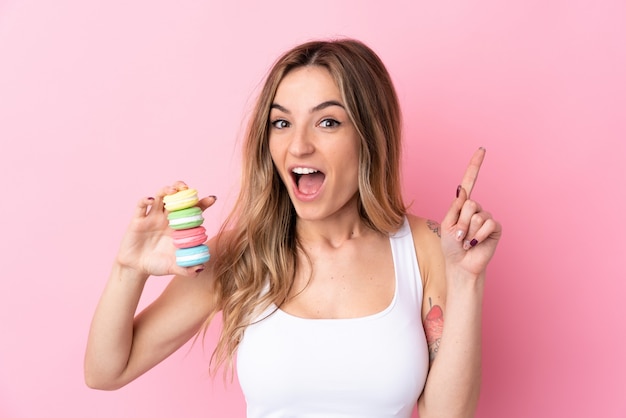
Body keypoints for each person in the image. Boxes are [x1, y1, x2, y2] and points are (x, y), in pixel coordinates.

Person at [84, 38, 502, 418]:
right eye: (281, 123)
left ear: (370, 136)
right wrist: (129, 268)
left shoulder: (428, 248)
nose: (298, 145)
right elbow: (106, 372)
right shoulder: (240, 256)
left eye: (328, 122)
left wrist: (466, 279)